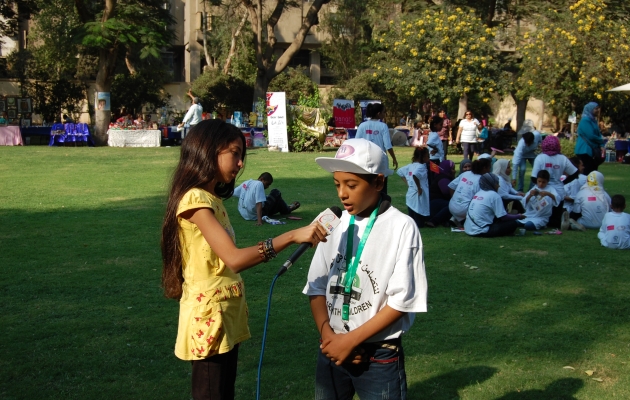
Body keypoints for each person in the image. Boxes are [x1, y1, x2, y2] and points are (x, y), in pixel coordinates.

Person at [160, 120, 328, 400]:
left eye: (242, 156)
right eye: (234, 153)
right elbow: (234, 259)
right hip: (209, 319)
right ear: (207, 151)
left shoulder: (212, 198)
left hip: (224, 315)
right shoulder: (194, 200)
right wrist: (289, 237)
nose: (240, 164)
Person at [304, 138, 428, 400]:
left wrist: (351, 341)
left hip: (378, 355)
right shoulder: (334, 222)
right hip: (331, 346)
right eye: (337, 184)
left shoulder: (402, 228)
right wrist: (330, 337)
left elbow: (401, 301)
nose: (342, 194)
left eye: (352, 185)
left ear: (378, 182)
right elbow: (316, 285)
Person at [530, 135, 579, 228]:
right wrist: (563, 182)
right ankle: (560, 223)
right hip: (558, 189)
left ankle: (542, 223)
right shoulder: (562, 158)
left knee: (541, 212)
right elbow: (575, 173)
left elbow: (533, 177)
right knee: (556, 214)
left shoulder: (540, 158)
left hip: (542, 189)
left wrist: (539, 185)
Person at [355, 102, 399, 194]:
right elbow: (388, 145)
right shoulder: (383, 126)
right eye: (384, 112)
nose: (384, 114)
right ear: (379, 113)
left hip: (365, 160)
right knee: (381, 188)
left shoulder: (362, 126)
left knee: (368, 187)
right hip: (380, 161)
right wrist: (394, 159)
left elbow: (356, 143)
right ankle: (382, 207)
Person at [464, 173, 522, 237]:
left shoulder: (478, 193)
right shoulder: (494, 195)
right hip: (482, 230)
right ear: (492, 184)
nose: (499, 186)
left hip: (468, 229)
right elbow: (503, 217)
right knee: (513, 223)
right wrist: (518, 216)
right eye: (497, 183)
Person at [233, 172, 300, 226]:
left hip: (245, 214)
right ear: (262, 179)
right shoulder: (259, 184)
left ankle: (284, 208)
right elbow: (259, 203)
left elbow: (234, 192)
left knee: (273, 199)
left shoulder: (248, 182)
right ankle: (287, 209)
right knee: (276, 192)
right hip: (255, 214)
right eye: (267, 184)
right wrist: (259, 221)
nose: (267, 187)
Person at [448, 158, 491, 227]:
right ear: (484, 168)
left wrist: (454, 199)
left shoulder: (465, 174)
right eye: (489, 168)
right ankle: (465, 220)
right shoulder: (482, 180)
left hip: (451, 206)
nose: (490, 170)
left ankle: (457, 218)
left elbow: (451, 186)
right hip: (465, 210)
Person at [397, 147, 430, 228]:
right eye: (427, 156)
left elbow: (400, 171)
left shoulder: (409, 166)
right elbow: (415, 175)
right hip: (418, 193)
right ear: (422, 157)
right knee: (419, 210)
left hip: (410, 193)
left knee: (412, 211)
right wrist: (419, 188)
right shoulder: (421, 167)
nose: (428, 158)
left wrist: (407, 183)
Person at [575, 102, 606, 175]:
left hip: (591, 150)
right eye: (596, 109)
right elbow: (591, 135)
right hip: (584, 150)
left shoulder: (593, 121)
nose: (598, 110)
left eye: (598, 108)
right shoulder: (585, 121)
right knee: (587, 172)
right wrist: (601, 140)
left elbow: (598, 134)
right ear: (590, 109)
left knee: (593, 171)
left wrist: (601, 145)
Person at [426, 159, 455, 227]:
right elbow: (446, 191)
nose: (454, 171)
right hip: (434, 203)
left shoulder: (443, 176)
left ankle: (445, 221)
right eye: (452, 169)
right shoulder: (443, 178)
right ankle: (433, 221)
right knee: (452, 206)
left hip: (436, 203)